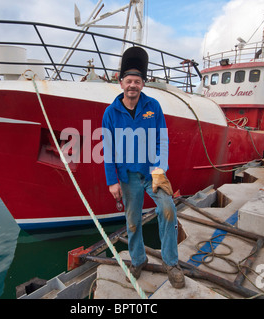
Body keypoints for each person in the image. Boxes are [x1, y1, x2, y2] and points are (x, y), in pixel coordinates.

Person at [102, 46, 185, 289]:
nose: (133, 85)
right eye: (129, 81)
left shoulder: (154, 107)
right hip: (127, 177)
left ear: (142, 84)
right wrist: (112, 181)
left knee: (169, 210)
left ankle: (171, 263)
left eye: (137, 81)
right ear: (121, 83)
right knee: (132, 221)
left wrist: (160, 168)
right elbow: (108, 149)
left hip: (153, 175)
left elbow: (162, 140)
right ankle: (138, 260)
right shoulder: (111, 112)